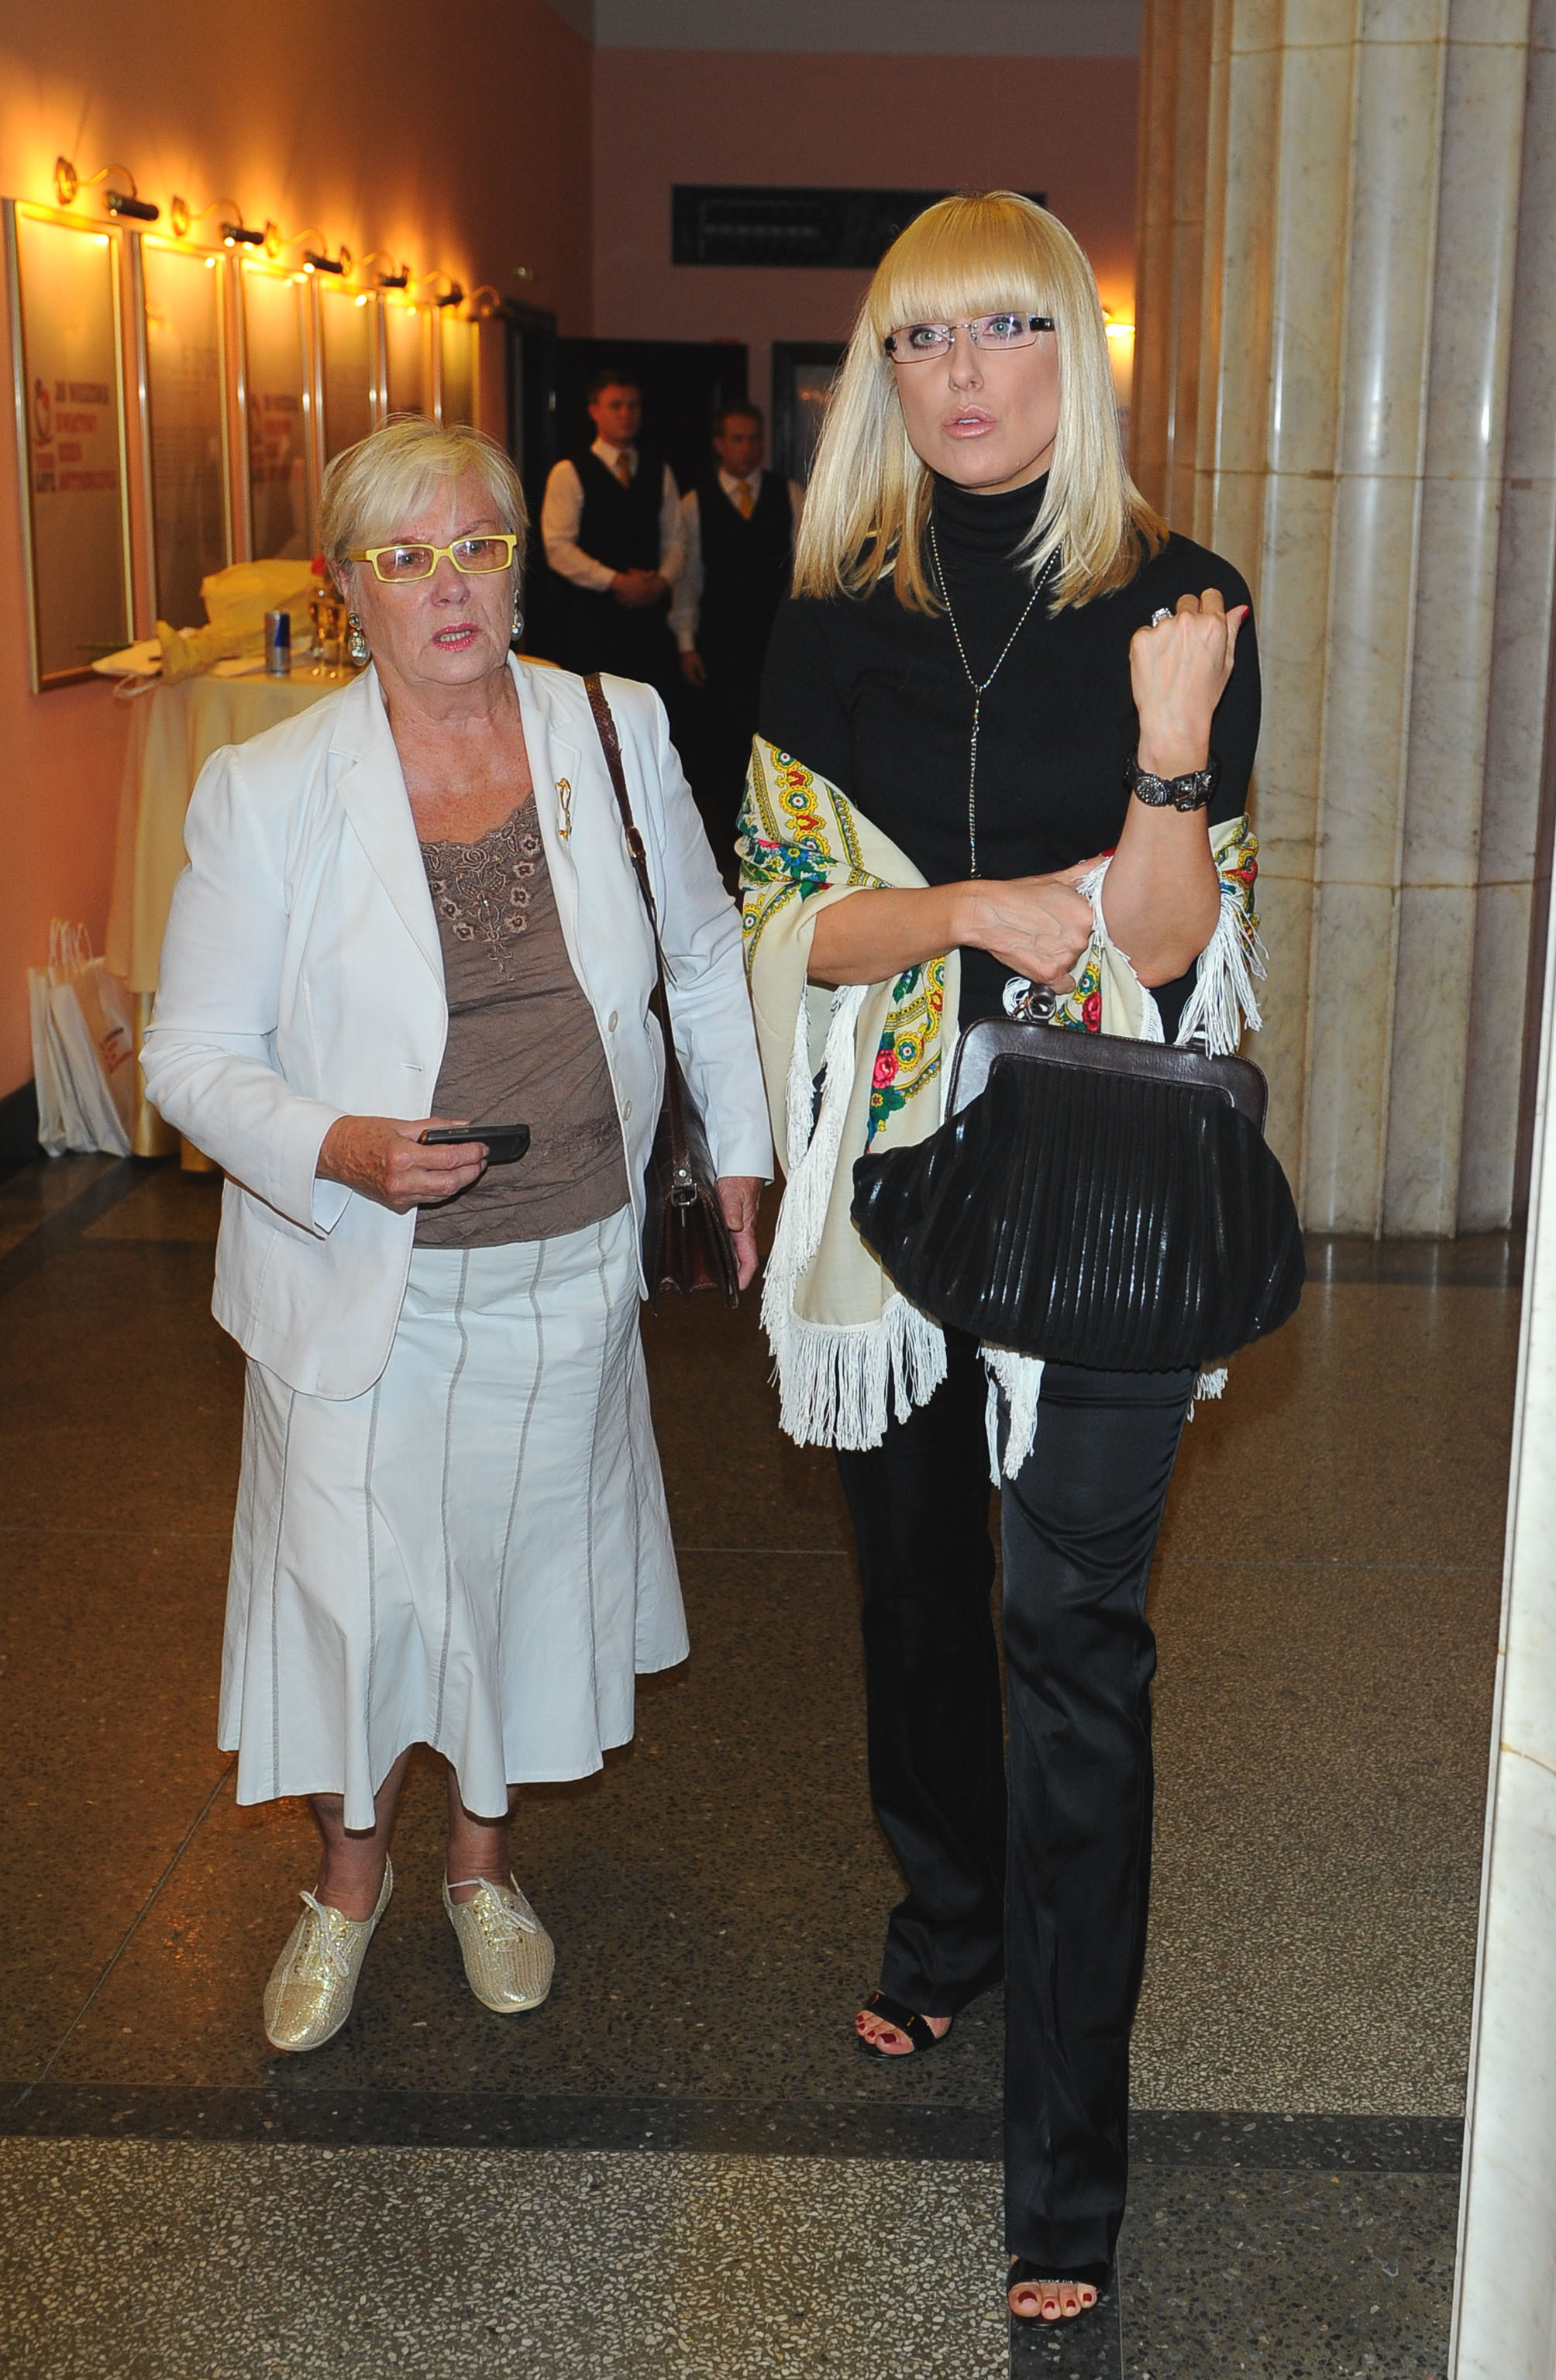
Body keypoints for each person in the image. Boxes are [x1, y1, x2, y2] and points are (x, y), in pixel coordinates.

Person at [738, 191, 1261, 2325]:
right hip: (891, 1175)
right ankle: (946, 1909)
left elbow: (1169, 937)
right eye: (920, 337)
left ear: (1074, 351)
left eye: (1004, 330)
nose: (961, 376)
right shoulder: (823, 620)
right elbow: (788, 915)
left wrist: (1167, 744)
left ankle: (1069, 2173)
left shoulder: (1178, 599)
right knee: (908, 1584)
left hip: (1103, 1179)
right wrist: (960, 908)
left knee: (1072, 1640)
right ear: (882, 371)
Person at [143, 418, 769, 2056]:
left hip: (570, 1254)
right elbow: (188, 1055)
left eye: (478, 547)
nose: (449, 586)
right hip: (361, 1269)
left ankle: (480, 1869)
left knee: (515, 1576)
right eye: (405, 556)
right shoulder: (267, 787)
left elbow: (702, 953)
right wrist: (338, 1146)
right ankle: (345, 1886)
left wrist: (741, 1154)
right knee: (350, 1589)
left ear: (516, 568)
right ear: (346, 586)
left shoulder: (613, 726)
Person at [670, 403, 804, 850]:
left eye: (754, 438)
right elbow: (688, 581)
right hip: (720, 640)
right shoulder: (694, 503)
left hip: (775, 638)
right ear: (719, 444)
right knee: (724, 744)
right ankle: (728, 842)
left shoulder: (790, 494)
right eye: (738, 438)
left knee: (775, 737)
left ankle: (776, 834)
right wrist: (686, 643)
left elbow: (805, 573)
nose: (747, 448)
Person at [540, 370, 686, 697]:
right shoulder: (569, 472)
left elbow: (677, 541)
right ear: (594, 411)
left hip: (649, 624)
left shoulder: (659, 472)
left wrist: (659, 583)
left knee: (652, 708)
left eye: (633, 405)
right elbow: (558, 548)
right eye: (616, 405)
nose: (626, 414)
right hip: (593, 624)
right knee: (596, 710)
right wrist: (617, 581)